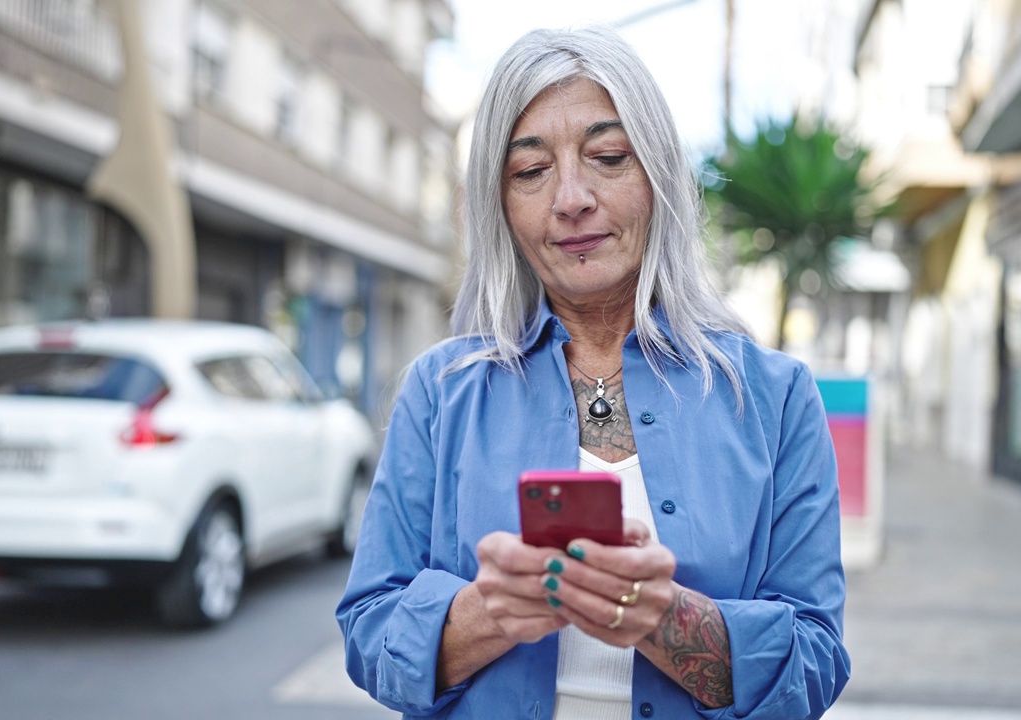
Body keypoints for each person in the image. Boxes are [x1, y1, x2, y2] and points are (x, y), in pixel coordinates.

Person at [337, 25, 849, 720]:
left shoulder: (774, 398)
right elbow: (370, 635)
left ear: (660, 176)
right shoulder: (440, 391)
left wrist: (659, 616)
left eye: (608, 156)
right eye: (529, 171)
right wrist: (490, 609)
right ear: (500, 205)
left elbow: (814, 667)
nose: (570, 198)